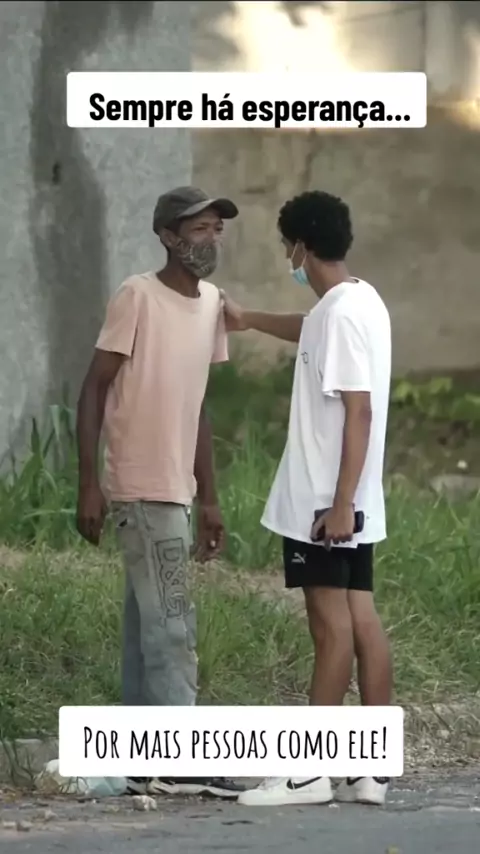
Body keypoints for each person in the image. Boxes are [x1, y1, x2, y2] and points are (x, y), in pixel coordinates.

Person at [222, 190, 392, 808]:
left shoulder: (339, 315)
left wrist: (339, 503)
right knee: (362, 620)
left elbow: (359, 410)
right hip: (351, 498)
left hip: (327, 503)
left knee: (332, 629)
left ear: (299, 247)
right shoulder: (357, 301)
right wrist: (248, 318)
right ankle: (369, 770)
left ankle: (308, 773)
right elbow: (309, 330)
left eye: (285, 248)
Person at [76, 186, 244, 800]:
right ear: (169, 237)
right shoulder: (137, 295)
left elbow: (198, 405)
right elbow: (94, 388)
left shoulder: (212, 305)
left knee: (146, 627)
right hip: (140, 481)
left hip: (178, 486)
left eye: (216, 229)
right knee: (173, 624)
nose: (211, 240)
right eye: (199, 229)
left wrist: (210, 498)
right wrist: (88, 482)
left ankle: (139, 760)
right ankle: (179, 761)